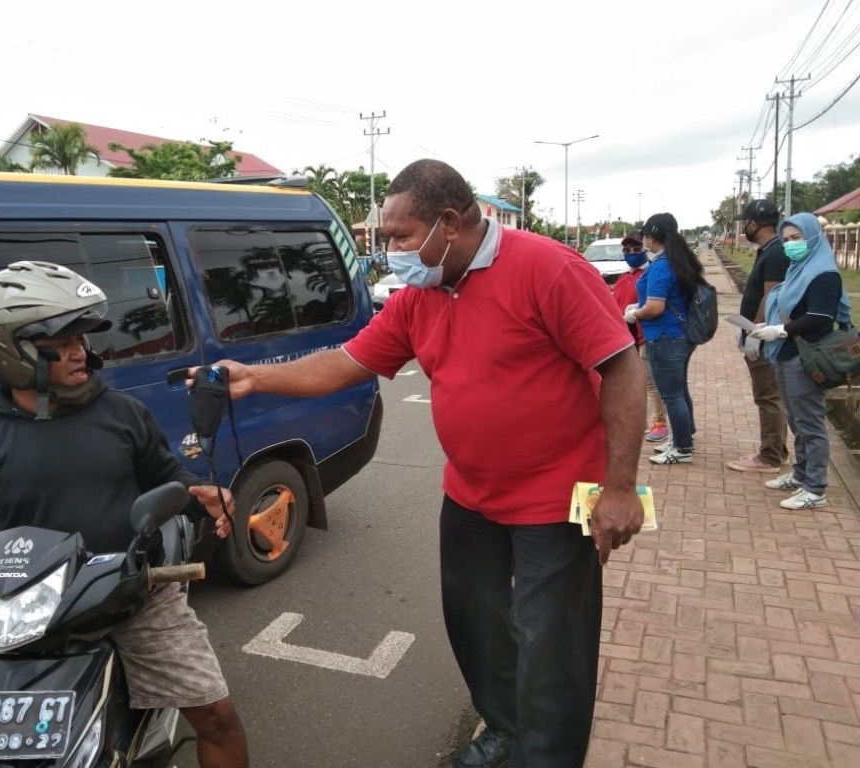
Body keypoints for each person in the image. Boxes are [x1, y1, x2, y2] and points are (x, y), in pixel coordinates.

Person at [192, 159, 647, 768]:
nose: (392, 252)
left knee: (551, 646)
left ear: (448, 224)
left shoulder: (549, 269)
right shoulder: (420, 296)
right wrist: (257, 378)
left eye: (400, 237)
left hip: (555, 499)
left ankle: (545, 758)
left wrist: (619, 487)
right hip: (470, 496)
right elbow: (347, 363)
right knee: (475, 625)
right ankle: (506, 730)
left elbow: (622, 369)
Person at [0, 260, 250, 768]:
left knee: (217, 717)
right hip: (22, 610)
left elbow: (165, 475)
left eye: (84, 337)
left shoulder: (122, 414)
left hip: (132, 594)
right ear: (8, 350)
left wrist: (197, 492)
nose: (82, 351)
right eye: (63, 341)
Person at [750, 212, 851, 510]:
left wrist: (780, 329)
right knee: (796, 419)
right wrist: (762, 331)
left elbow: (820, 316)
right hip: (785, 352)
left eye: (798, 238)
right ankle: (800, 474)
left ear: (814, 238)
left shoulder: (824, 274)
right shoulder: (797, 269)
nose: (792, 244)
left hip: (806, 355)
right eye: (787, 239)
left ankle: (815, 487)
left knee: (810, 424)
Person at [624, 212, 705, 465]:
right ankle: (684, 437)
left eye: (645, 236)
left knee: (671, 395)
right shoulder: (677, 260)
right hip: (679, 335)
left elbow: (656, 307)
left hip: (664, 336)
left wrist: (635, 313)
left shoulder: (660, 266)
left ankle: (681, 448)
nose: (644, 241)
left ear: (651, 237)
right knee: (679, 390)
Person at [726, 199, 790, 473]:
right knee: (770, 395)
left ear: (754, 224)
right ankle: (778, 450)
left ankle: (770, 456)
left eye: (746, 223)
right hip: (761, 332)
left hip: (764, 336)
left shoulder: (775, 253)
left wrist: (755, 331)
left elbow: (771, 295)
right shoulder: (768, 251)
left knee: (767, 396)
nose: (745, 228)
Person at [613, 232, 669, 443]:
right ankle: (639, 422)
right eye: (627, 250)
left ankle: (659, 423)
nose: (632, 253)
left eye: (636, 249)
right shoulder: (623, 278)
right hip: (625, 340)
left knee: (651, 382)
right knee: (631, 383)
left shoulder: (651, 274)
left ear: (644, 249)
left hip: (646, 336)